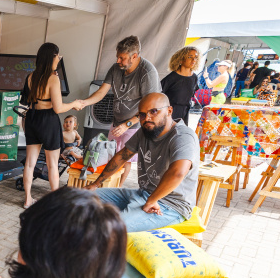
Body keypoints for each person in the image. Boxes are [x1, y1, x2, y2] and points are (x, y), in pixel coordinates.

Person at [85, 92, 199, 232]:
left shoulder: (183, 136)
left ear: (169, 111)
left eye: (154, 112)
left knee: (112, 229)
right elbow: (122, 156)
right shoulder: (146, 131)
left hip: (170, 205)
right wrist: (96, 183)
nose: (147, 118)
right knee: (83, 198)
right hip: (143, 194)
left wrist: (152, 200)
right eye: (142, 114)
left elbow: (177, 172)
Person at [78, 36, 161, 188]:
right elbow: (102, 91)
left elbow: (151, 107)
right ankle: (107, 185)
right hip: (116, 122)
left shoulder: (147, 72)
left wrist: (127, 124)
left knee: (125, 158)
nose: (118, 61)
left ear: (134, 56)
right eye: (118, 57)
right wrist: (85, 102)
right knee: (111, 155)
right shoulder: (117, 68)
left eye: (122, 58)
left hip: (134, 125)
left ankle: (117, 188)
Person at [21, 43, 84, 207]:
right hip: (48, 121)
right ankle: (55, 202)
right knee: (52, 164)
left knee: (29, 163)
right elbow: (58, 108)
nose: (59, 59)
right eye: (58, 56)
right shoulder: (53, 78)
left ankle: (27, 199)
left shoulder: (30, 77)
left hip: (32, 119)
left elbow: (25, 103)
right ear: (52, 57)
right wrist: (74, 103)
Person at [160, 47, 200, 126]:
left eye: (195, 57)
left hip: (184, 114)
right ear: (181, 59)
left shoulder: (194, 77)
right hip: (169, 113)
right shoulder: (171, 78)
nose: (193, 60)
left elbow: (190, 95)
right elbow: (158, 95)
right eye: (190, 57)